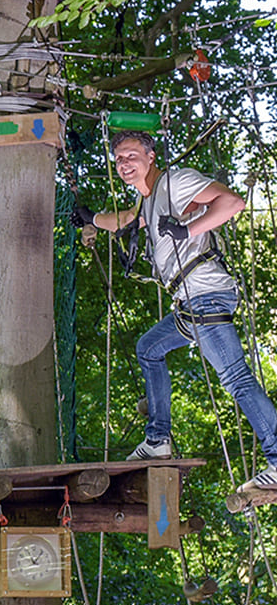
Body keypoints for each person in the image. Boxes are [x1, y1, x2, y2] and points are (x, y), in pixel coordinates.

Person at [78, 129, 271, 490]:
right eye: (119, 159)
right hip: (189, 305)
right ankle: (158, 440)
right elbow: (126, 220)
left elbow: (232, 203)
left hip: (206, 297)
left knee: (236, 380)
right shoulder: (149, 202)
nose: (124, 165)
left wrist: (188, 230)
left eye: (132, 156)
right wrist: (91, 219)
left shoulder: (175, 182)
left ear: (151, 157)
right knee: (149, 348)